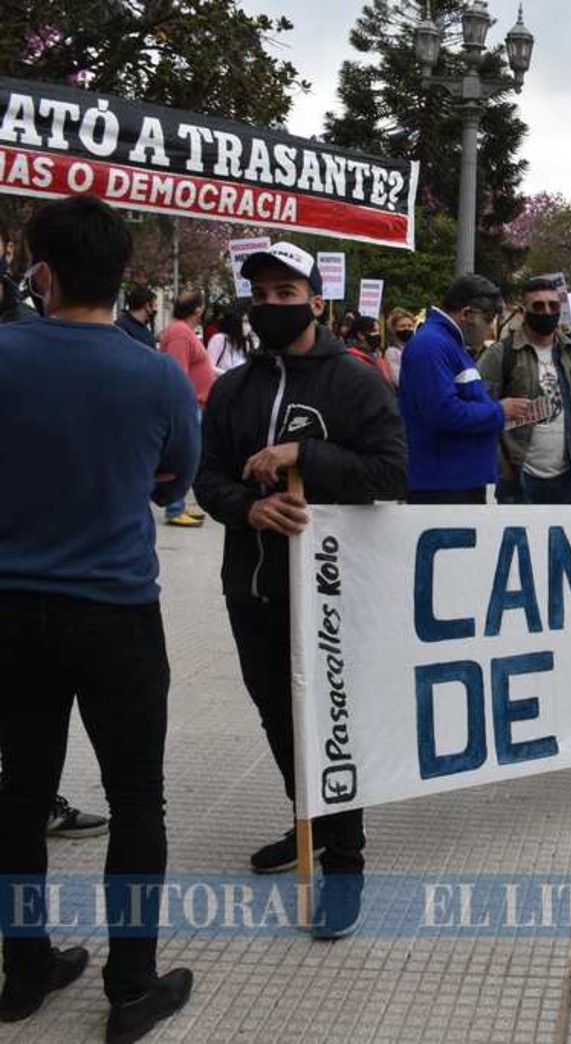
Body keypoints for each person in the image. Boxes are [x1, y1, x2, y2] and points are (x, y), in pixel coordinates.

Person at [1, 195, 198, 1039]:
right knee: (137, 799)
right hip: (116, 611)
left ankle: (24, 969)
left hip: (12, 611)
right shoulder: (151, 372)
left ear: (40, 271)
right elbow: (175, 477)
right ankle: (130, 985)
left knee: (17, 796)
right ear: (125, 277)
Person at [194, 241, 407, 938]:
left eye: (288, 294)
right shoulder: (233, 388)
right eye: (263, 294)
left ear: (318, 302)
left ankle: (345, 862)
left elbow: (389, 474)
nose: (273, 305)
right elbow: (209, 478)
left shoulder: (356, 382)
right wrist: (247, 507)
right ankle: (306, 825)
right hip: (252, 588)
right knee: (280, 723)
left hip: (330, 597)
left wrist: (303, 456)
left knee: (329, 728)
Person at [399, 274, 529, 504]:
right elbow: (443, 412)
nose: (489, 330)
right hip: (442, 486)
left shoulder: (448, 344)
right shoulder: (431, 345)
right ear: (467, 313)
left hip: (457, 481)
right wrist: (499, 411)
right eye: (488, 320)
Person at [478, 276, 571, 504]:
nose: (546, 311)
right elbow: (478, 408)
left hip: (566, 478)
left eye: (553, 305)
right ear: (524, 311)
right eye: (538, 306)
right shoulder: (501, 353)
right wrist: (501, 465)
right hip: (518, 479)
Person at [158, 291, 216, 527]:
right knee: (184, 456)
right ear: (198, 309)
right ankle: (174, 507)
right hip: (188, 406)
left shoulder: (182, 331)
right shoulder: (181, 333)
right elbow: (178, 372)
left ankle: (177, 503)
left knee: (191, 456)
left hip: (193, 405)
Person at [205, 308, 251, 374]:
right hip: (221, 383)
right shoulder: (219, 339)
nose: (249, 326)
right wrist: (230, 376)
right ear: (236, 322)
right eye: (245, 321)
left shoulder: (245, 344)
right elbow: (208, 366)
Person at [383, 307, 417, 386]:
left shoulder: (416, 347)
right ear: (394, 329)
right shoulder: (392, 352)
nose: (407, 329)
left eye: (410, 326)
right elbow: (398, 380)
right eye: (402, 326)